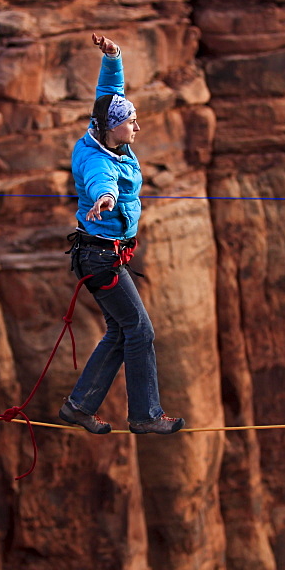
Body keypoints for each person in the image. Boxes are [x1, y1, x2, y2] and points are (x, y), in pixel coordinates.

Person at [58, 33, 185, 435]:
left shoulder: (104, 127)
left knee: (120, 330)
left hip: (101, 254)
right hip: (100, 257)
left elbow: (110, 92)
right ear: (114, 129)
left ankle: (79, 406)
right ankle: (145, 415)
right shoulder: (100, 162)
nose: (137, 126)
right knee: (140, 330)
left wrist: (113, 57)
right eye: (131, 122)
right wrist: (106, 199)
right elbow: (101, 183)